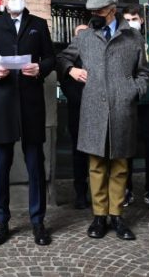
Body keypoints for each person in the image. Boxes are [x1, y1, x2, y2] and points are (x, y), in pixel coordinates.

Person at [56, 0, 149, 241]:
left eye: (98, 12)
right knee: (96, 165)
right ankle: (99, 217)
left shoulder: (133, 37)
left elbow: (143, 72)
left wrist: (134, 90)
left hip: (122, 108)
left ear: (111, 9)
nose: (94, 16)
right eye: (91, 12)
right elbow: (62, 58)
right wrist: (72, 70)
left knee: (119, 165)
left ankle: (117, 216)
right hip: (93, 108)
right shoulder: (85, 37)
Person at [0, 0, 55, 246]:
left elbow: (51, 58)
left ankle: (38, 222)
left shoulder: (39, 25)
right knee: (0, 167)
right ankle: (1, 222)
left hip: (31, 105)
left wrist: (40, 69)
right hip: (2, 104)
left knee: (35, 166)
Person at [122, 5, 149, 209]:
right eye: (127, 19)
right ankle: (126, 188)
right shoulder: (120, 42)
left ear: (142, 20)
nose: (131, 22)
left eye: (134, 18)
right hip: (127, 101)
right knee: (126, 147)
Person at [58, 24, 90, 209]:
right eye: (79, 34)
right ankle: (80, 193)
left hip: (96, 110)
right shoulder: (69, 59)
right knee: (79, 155)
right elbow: (66, 85)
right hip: (77, 110)